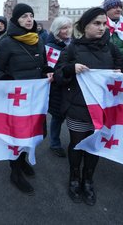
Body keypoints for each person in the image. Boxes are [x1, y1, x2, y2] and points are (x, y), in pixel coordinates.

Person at [54, 7, 123, 206]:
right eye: (96, 23)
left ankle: (88, 179)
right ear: (84, 26)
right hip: (77, 107)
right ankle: (74, 177)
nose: (102, 28)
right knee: (77, 144)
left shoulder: (111, 48)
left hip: (102, 108)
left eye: (104, 24)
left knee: (94, 146)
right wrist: (69, 69)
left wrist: (120, 74)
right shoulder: (72, 49)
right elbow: (58, 76)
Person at [0, 3, 53, 195]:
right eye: (24, 16)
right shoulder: (7, 43)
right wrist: (9, 82)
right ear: (16, 20)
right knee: (17, 135)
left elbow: (42, 66)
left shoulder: (38, 41)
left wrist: (48, 72)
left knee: (33, 132)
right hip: (15, 100)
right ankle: (15, 171)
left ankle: (23, 160)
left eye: (31, 16)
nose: (29, 19)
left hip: (35, 100)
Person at [46, 16, 73, 158]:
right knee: (57, 117)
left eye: (69, 27)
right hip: (57, 87)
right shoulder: (51, 47)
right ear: (57, 30)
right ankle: (55, 143)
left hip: (71, 86)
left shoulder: (73, 44)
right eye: (64, 28)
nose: (68, 30)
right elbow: (51, 69)